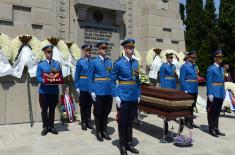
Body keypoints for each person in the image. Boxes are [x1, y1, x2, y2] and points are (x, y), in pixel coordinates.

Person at [111, 38, 140, 155]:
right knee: (122, 122)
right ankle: (122, 145)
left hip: (133, 96)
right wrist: (115, 96)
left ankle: (129, 143)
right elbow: (112, 80)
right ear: (124, 48)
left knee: (130, 121)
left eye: (133, 47)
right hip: (123, 96)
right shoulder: (118, 63)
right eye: (129, 47)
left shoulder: (136, 63)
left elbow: (138, 81)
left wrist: (139, 94)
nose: (132, 49)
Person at [88, 41, 113, 142]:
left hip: (108, 91)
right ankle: (98, 132)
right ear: (99, 50)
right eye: (103, 48)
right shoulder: (94, 62)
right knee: (98, 112)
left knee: (106, 111)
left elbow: (111, 76)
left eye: (106, 48)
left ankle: (104, 131)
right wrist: (91, 91)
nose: (105, 50)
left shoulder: (109, 62)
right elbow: (90, 78)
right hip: (98, 91)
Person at [36, 45, 62, 136]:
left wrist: (57, 79)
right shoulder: (41, 64)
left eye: (51, 52)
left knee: (52, 109)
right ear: (44, 53)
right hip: (44, 92)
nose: (50, 53)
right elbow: (38, 77)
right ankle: (45, 127)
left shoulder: (57, 64)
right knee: (44, 109)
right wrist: (45, 80)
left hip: (54, 91)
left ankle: (51, 126)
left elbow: (60, 76)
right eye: (48, 52)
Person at [206, 50, 226, 137]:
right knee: (212, 112)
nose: (221, 58)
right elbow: (209, 81)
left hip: (220, 92)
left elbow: (222, 82)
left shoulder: (221, 68)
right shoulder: (211, 69)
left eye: (221, 57)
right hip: (214, 92)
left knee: (217, 112)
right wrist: (210, 93)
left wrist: (224, 92)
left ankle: (216, 128)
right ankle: (211, 129)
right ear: (215, 58)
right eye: (219, 57)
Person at [74, 44, 94, 130]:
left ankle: (89, 122)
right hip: (82, 85)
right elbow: (76, 75)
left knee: (89, 105)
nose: (88, 52)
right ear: (84, 52)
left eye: (90, 50)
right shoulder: (80, 62)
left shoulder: (93, 61)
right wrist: (77, 86)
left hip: (91, 86)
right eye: (87, 50)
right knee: (83, 105)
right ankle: (83, 122)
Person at [180, 51, 199, 129]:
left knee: (192, 106)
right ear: (188, 58)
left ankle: (191, 121)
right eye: (193, 57)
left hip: (194, 88)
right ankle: (187, 122)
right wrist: (185, 90)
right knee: (188, 106)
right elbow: (182, 79)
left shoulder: (194, 66)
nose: (195, 59)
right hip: (188, 88)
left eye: (195, 57)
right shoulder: (184, 66)